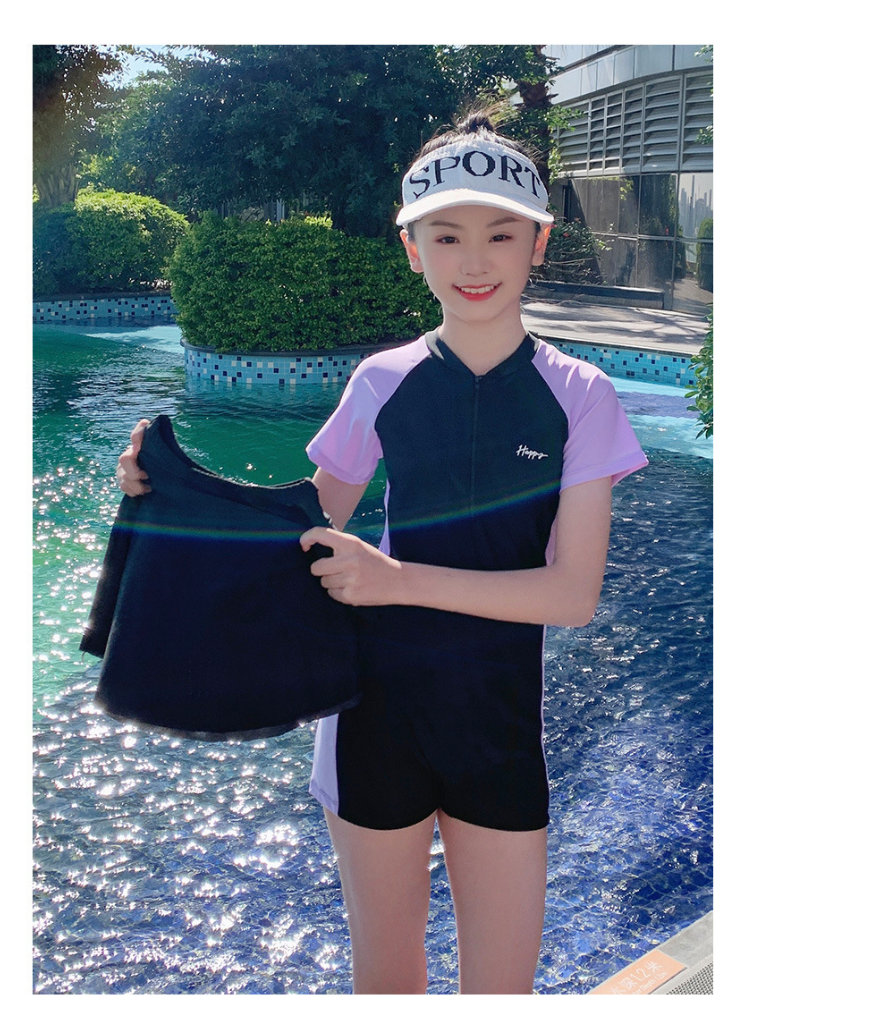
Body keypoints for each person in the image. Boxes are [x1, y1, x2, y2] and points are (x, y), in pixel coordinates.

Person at [116, 111, 647, 994]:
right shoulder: (382, 379)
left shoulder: (580, 395)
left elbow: (572, 595)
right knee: (387, 983)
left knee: (502, 994)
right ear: (412, 249)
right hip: (372, 720)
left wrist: (396, 579)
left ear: (539, 243)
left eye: (499, 234)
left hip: (497, 727)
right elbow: (295, 533)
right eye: (446, 235)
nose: (474, 260)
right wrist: (168, 491)